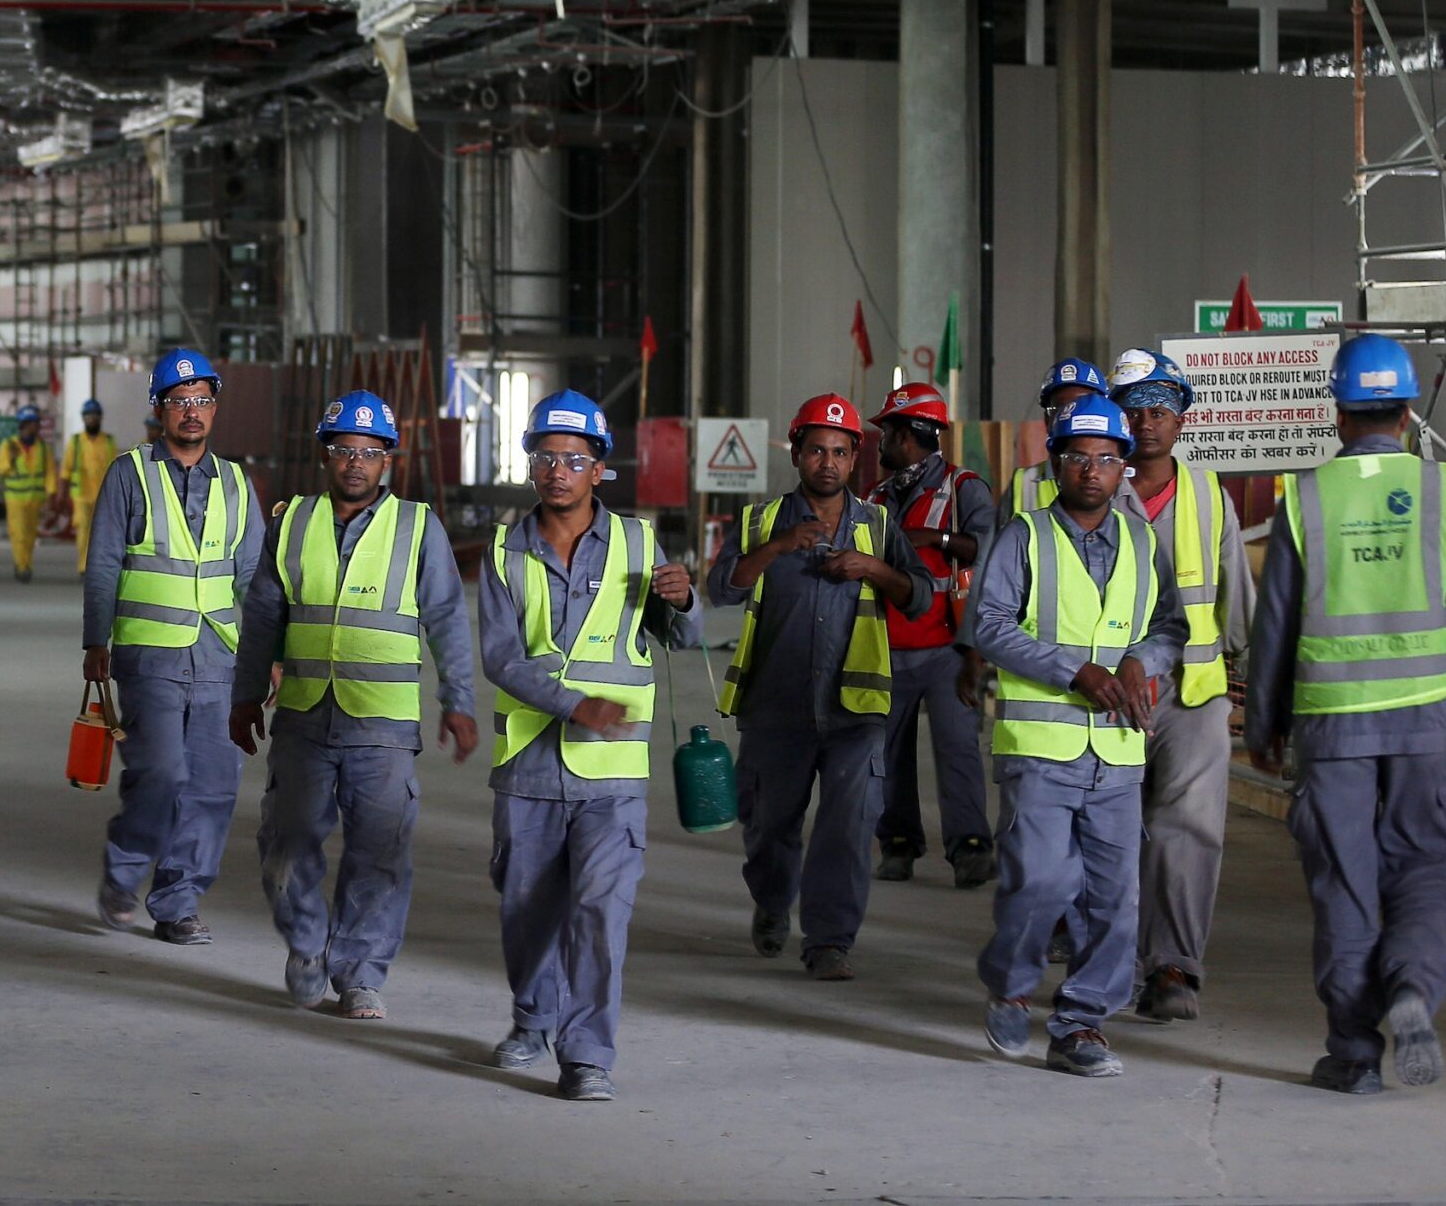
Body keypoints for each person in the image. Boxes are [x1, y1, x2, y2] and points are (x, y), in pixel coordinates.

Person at [475, 390, 698, 1101]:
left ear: (600, 468)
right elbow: (503, 659)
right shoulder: (505, 553)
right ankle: (534, 1016)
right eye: (545, 456)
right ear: (531, 464)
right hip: (530, 769)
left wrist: (684, 599)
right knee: (526, 911)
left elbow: (681, 639)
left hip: (612, 777)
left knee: (601, 910)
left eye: (574, 458)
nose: (558, 469)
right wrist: (577, 704)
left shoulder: (638, 543)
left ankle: (587, 1053)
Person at [1247, 333, 1446, 1094]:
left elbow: (1276, 624)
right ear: (1407, 410)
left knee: (1345, 878)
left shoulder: (1304, 497)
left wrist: (1263, 724)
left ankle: (1355, 1053)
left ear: (1338, 413)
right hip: (1427, 719)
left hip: (1331, 720)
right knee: (1425, 866)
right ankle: (1414, 988)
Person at [231, 390, 475, 1022]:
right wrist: (243, 695)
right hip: (305, 717)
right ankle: (307, 944)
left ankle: (361, 974)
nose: (357, 462)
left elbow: (448, 618)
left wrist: (459, 700)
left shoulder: (418, 527)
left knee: (380, 852)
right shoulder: (293, 522)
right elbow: (263, 616)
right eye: (344, 449)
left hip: (383, 725)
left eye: (370, 452)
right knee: (286, 842)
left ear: (388, 461)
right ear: (325, 455)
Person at [974, 398, 1183, 1078]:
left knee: (1112, 897)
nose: (1093, 471)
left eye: (1106, 458)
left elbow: (1169, 627)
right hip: (1041, 747)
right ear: (1056, 461)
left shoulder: (1145, 541)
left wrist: (1138, 661)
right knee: (1040, 879)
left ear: (1125, 465)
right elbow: (991, 625)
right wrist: (1076, 671)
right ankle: (1009, 983)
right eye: (1078, 457)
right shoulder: (1025, 537)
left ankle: (1082, 1023)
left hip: (1118, 750)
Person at [704, 393, 928, 980]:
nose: (827, 462)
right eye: (815, 450)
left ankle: (829, 941)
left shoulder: (878, 526)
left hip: (855, 710)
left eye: (839, 451)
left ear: (855, 458)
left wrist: (871, 568)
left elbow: (921, 594)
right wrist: (778, 548)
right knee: (769, 823)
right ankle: (773, 901)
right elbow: (722, 588)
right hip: (775, 705)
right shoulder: (760, 522)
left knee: (847, 829)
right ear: (797, 453)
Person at [84, 347, 266, 944]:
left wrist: (271, 655)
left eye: (202, 401)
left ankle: (177, 902)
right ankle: (125, 870)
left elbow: (255, 579)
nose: (192, 412)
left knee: (212, 786)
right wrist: (96, 640)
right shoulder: (129, 474)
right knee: (160, 773)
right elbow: (105, 563)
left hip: (219, 658)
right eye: (179, 402)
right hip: (149, 655)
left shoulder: (237, 483)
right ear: (159, 409)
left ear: (215, 409)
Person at [1106, 346, 1248, 1024]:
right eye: (1134, 408)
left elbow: (1235, 609)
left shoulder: (1208, 496)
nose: (1148, 421)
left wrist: (1242, 682)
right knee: (1109, 830)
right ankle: (1108, 963)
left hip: (1192, 694)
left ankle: (1172, 966)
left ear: (1183, 415)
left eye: (1161, 407)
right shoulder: (1089, 489)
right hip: (1107, 692)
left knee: (1186, 829)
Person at [866, 381, 997, 888]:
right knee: (887, 752)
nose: (882, 442)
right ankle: (898, 843)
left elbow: (989, 554)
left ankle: (970, 847)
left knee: (957, 748)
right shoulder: (878, 496)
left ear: (912, 434)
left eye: (888, 431)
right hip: (888, 647)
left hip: (948, 648)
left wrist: (936, 538)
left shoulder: (964, 489)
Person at [1003, 358, 1111, 520]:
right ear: (1047, 420)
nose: (1072, 417)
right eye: (1061, 409)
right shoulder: (1024, 483)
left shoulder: (1117, 478)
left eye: (1083, 407)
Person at [0, 406, 58, 583]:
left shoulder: (44, 449)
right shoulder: (9, 445)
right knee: (18, 533)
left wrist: (51, 495)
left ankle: (26, 563)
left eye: (37, 424)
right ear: (23, 425)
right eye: (33, 424)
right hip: (15, 499)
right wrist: (12, 459)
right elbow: (0, 469)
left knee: (30, 535)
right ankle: (22, 566)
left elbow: (50, 473)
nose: (36, 427)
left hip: (35, 499)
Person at [64, 397, 118, 575]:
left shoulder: (109, 442)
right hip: (81, 496)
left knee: (102, 534)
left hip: (104, 496)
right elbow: (66, 469)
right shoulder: (76, 442)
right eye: (89, 416)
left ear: (100, 418)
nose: (92, 419)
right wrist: (61, 496)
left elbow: (116, 471)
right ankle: (83, 567)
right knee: (83, 533)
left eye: (95, 416)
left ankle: (96, 566)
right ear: (83, 418)